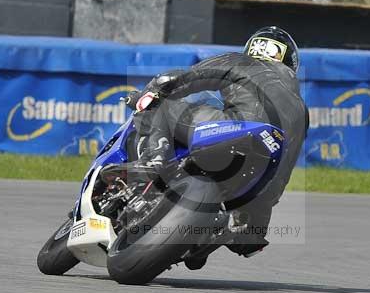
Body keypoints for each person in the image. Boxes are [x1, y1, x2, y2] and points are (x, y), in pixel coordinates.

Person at [107, 26, 309, 263]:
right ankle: (212, 236)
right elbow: (284, 170)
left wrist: (150, 94)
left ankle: (155, 158)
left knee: (161, 105)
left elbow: (182, 78)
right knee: (247, 239)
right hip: (263, 175)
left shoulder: (240, 61)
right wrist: (256, 225)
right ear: (291, 62)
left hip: (232, 129)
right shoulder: (302, 110)